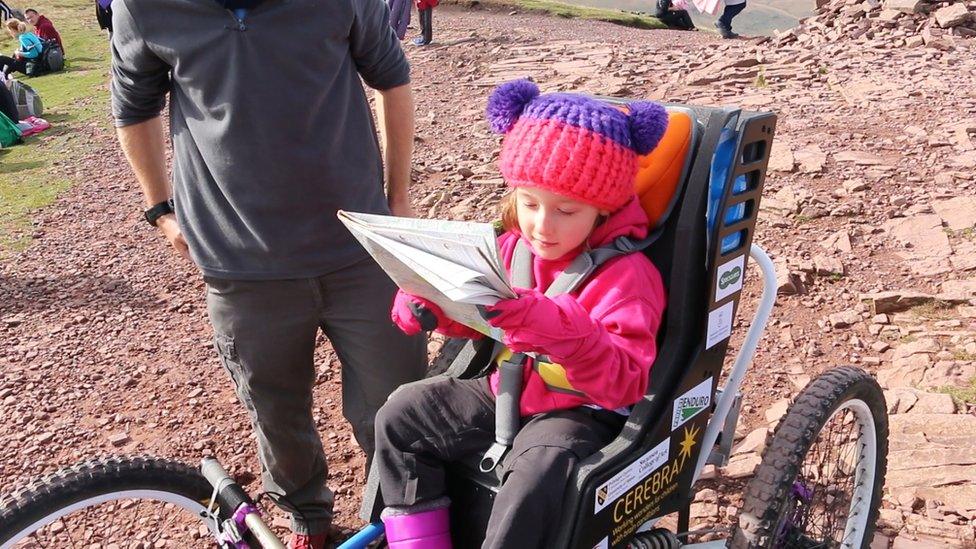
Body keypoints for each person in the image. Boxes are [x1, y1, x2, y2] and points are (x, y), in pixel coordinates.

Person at [109, 0, 428, 547]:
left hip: (359, 250)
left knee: (394, 405)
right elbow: (133, 106)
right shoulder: (141, 6)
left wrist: (396, 200)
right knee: (276, 412)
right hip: (240, 264)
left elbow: (391, 79)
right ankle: (307, 517)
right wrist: (160, 209)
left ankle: (399, 516)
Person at [375, 79, 669, 549]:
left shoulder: (627, 278)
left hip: (581, 413)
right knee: (403, 414)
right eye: (529, 203)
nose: (542, 225)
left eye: (566, 211)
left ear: (602, 210)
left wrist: (557, 326)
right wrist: (431, 301)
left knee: (537, 470)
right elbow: (479, 313)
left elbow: (625, 381)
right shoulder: (513, 248)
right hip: (508, 389)